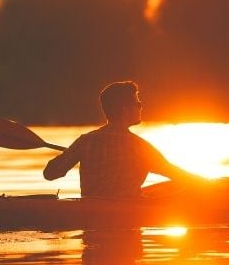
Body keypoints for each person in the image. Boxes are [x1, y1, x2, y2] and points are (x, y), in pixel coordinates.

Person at [43, 81, 208, 198]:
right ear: (124, 109)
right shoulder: (139, 147)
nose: (141, 107)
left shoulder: (85, 142)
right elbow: (178, 175)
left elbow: (50, 174)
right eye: (137, 104)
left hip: (91, 218)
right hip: (129, 218)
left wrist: (73, 153)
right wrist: (209, 185)